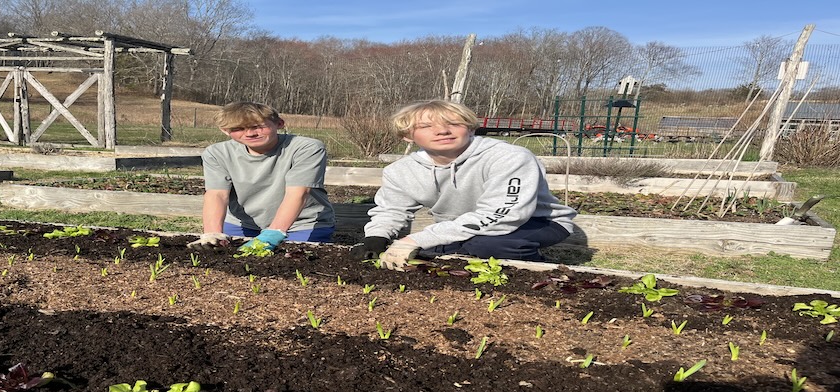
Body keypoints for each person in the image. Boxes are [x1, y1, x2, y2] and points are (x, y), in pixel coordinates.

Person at [351, 99, 577, 270]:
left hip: (536, 221)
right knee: (434, 251)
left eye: (453, 123)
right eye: (426, 126)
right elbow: (391, 210)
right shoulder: (400, 171)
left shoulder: (509, 157)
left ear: (470, 128)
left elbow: (504, 214)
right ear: (407, 136)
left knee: (487, 247)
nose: (442, 131)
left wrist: (416, 238)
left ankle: (535, 271)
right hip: (461, 226)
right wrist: (376, 237)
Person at [187, 101, 335, 252]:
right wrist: (213, 234)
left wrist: (272, 234)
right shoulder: (217, 153)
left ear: (279, 123)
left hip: (301, 224)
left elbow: (299, 193)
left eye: (258, 126)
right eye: (238, 128)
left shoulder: (306, 148)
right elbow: (216, 194)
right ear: (225, 130)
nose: (250, 133)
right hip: (242, 224)